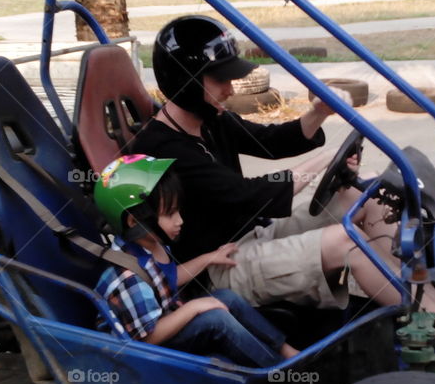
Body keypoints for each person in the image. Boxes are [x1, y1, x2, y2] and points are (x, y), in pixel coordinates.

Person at [131, 15, 435, 361]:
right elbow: (251, 195)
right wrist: (322, 163)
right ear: (185, 82)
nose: (231, 89)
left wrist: (317, 114)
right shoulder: (163, 148)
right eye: (219, 80)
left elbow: (271, 141)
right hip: (217, 269)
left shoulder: (209, 118)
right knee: (346, 244)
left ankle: (424, 306)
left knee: (371, 200)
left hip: (249, 235)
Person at [93, 153, 299, 368]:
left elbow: (167, 279)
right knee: (216, 319)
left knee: (226, 297)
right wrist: (193, 308)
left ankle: (287, 351)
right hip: (143, 352)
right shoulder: (128, 276)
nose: (180, 220)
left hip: (161, 320)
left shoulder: (150, 242)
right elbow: (146, 338)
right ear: (134, 220)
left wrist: (209, 258)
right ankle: (277, 371)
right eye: (170, 213)